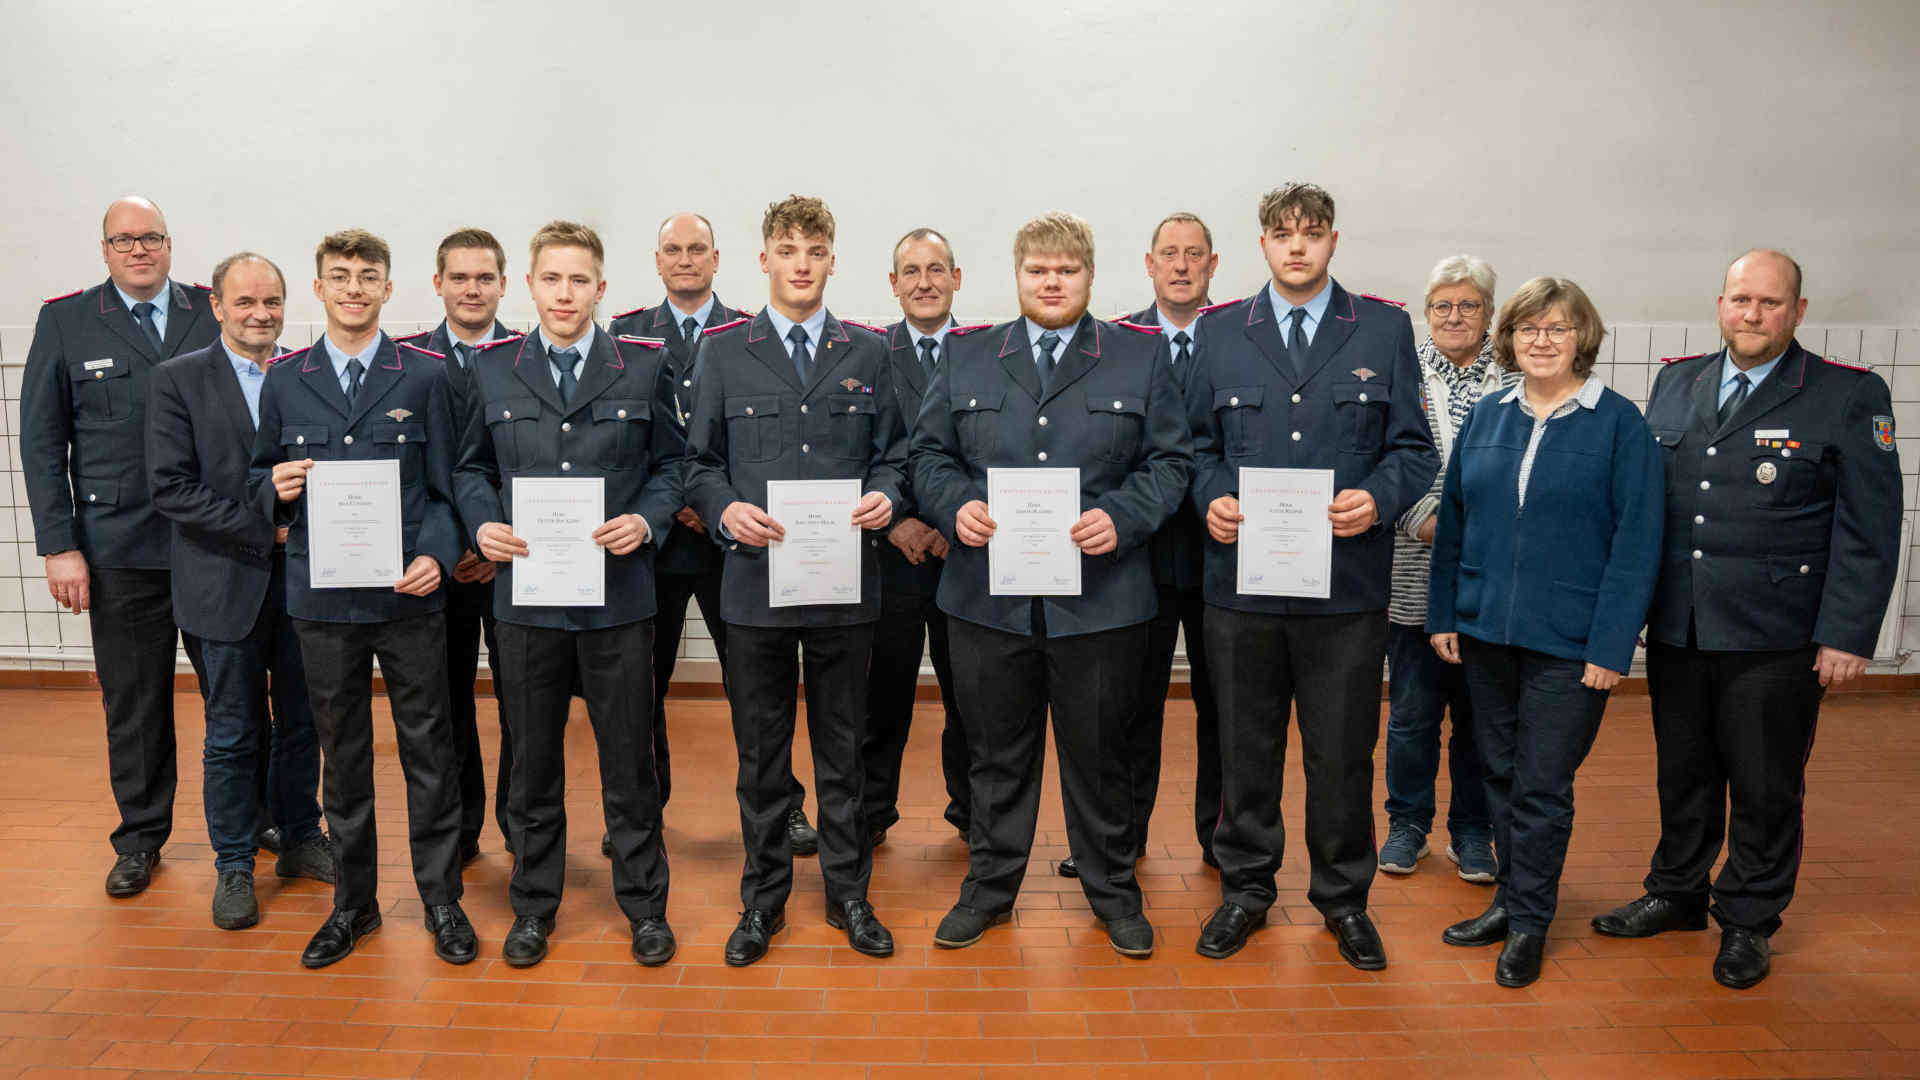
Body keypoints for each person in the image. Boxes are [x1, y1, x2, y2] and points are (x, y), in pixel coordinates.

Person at [1591, 249, 1902, 990]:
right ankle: (1677, 891)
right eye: (1739, 300)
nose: (1751, 315)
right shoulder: (1678, 380)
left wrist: (1847, 634)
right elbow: (1650, 509)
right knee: (1685, 771)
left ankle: (1749, 920)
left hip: (1778, 631)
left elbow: (1870, 527)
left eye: (1768, 303)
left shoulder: (1844, 395)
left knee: (1765, 783)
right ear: (1720, 304)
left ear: (1797, 311)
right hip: (1681, 623)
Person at [910, 211, 1192, 959]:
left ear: (1090, 277)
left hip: (1099, 598)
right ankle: (989, 890)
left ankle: (1113, 894)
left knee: (1101, 754)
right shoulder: (966, 355)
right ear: (1019, 276)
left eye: (1067, 270)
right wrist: (953, 504)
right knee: (995, 753)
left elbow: (1171, 463)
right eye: (1038, 270)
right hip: (986, 598)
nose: (1052, 281)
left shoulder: (1140, 356)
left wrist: (1122, 517)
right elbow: (928, 455)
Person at [1187, 183, 1437, 968]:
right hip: (1242, 590)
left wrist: (1380, 498)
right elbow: (1191, 447)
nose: (1298, 246)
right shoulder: (1221, 330)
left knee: (1341, 751)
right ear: (1262, 243)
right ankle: (1247, 891)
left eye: (1313, 233)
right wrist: (1211, 497)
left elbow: (1414, 450)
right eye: (1283, 234)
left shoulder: (1385, 328)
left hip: (1346, 589)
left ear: (1334, 241)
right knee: (1244, 747)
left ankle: (1344, 901)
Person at [684, 195, 906, 967]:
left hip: (845, 586)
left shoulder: (870, 352)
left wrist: (889, 494)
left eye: (815, 251)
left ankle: (850, 894)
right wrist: (724, 510)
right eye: (788, 250)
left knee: (844, 748)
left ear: (832, 261)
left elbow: (898, 454)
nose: (802, 264)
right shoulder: (724, 351)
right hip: (753, 585)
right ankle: (763, 901)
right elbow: (697, 462)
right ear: (766, 260)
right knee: (762, 755)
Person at [456, 221, 684, 968]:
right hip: (526, 606)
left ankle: (646, 906)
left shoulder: (644, 367)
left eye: (578, 280)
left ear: (600, 289)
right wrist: (484, 525)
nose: (564, 293)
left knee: (630, 761)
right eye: (551, 279)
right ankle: (534, 908)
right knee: (532, 767)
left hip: (619, 601)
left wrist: (646, 521)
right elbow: (467, 468)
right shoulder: (491, 369)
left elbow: (674, 467)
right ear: (530, 286)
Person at [1427, 276, 1663, 988]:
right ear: (1510, 338)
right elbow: (1455, 523)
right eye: (1529, 328)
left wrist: (1610, 646)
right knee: (1496, 771)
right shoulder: (1489, 416)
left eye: (1557, 329)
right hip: (1488, 632)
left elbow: (1638, 542)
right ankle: (1508, 898)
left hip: (1571, 642)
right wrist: (1445, 614)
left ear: (1581, 338)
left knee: (1541, 782)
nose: (1541, 340)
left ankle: (1530, 921)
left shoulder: (1619, 424)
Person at [249, 228, 472, 969]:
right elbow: (259, 478)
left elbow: (444, 491)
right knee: (341, 758)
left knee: (428, 752)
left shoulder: (427, 376)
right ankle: (355, 905)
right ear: (318, 289)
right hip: (323, 602)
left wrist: (437, 556)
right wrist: (271, 492)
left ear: (387, 288)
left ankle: (442, 898)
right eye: (339, 276)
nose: (353, 287)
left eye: (367, 276)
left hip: (408, 598)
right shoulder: (284, 379)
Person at [20, 197, 220, 898]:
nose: (139, 250)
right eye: (124, 240)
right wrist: (58, 546)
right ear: (104, 249)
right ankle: (140, 836)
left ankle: (259, 822)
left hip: (214, 544)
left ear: (171, 243)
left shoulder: (213, 308)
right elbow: (43, 442)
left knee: (236, 696)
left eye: (152, 238)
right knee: (135, 703)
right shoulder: (67, 320)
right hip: (119, 548)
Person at [610, 213, 818, 858]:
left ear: (718, 258)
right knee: (642, 688)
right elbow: (630, 445)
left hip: (736, 544)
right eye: (672, 249)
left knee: (758, 690)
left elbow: (726, 449)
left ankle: (781, 807)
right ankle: (643, 813)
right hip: (657, 544)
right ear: (657, 258)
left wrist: (712, 501)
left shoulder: (747, 335)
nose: (685, 259)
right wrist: (675, 504)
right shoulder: (625, 337)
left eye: (697, 248)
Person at [146, 252, 336, 929]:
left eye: (273, 302)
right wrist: (265, 525)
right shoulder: (177, 381)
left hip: (304, 585)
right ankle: (233, 863)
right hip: (221, 584)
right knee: (232, 730)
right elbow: (170, 489)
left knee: (302, 721)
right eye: (246, 302)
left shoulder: (308, 373)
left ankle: (300, 836)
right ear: (217, 308)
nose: (261, 314)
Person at [1062, 211, 1222, 882]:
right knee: (1125, 712)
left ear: (1213, 266)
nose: (1181, 265)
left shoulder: (1241, 340)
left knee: (1225, 709)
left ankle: (1223, 839)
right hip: (1133, 562)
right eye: (1169, 254)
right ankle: (1116, 840)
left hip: (1223, 558)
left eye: (1195, 255)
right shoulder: (1115, 343)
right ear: (1149, 264)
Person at [1378, 255, 1510, 883]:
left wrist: (1469, 528)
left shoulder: (1515, 379)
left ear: (1490, 313)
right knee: (1411, 714)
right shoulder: (1401, 375)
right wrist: (1420, 518)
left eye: (1469, 305)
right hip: (1411, 575)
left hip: (1491, 579)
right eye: (1442, 307)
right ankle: (1406, 825)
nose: (1455, 317)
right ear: (1425, 313)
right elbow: (1380, 461)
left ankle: (1473, 831)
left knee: (1480, 719)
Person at [396, 228, 517, 864]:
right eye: (460, 277)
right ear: (438, 283)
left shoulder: (529, 357)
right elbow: (409, 469)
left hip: (514, 564)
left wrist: (493, 542)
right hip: (436, 564)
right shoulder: (406, 362)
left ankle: (522, 828)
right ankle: (462, 828)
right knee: (444, 705)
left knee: (522, 705)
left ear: (503, 284)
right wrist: (453, 545)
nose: (473, 289)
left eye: (485, 278)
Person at [861, 226, 970, 848]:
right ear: (894, 284)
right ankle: (870, 815)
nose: (924, 282)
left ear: (957, 279)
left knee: (972, 701)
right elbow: (863, 450)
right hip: (890, 555)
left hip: (964, 555)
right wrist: (901, 520)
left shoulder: (988, 352)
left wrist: (951, 521)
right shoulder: (868, 355)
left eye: (937, 270)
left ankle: (976, 817)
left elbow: (982, 454)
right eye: (911, 271)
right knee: (883, 698)